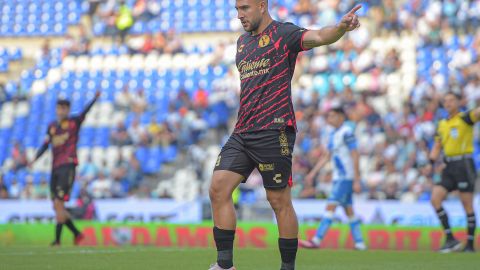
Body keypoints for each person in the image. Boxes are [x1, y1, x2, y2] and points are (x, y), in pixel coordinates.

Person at [208, 1, 361, 269]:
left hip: (274, 129)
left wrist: (340, 28)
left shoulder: (284, 34)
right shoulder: (242, 44)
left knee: (278, 200)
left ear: (261, 6)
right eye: (236, 9)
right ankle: (224, 265)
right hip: (243, 131)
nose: (239, 14)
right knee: (218, 188)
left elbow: (319, 36)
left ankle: (287, 267)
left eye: (245, 8)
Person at [29, 91, 100, 246]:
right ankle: (76, 234)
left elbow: (85, 112)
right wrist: (34, 158)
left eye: (64, 108)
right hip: (54, 168)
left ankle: (58, 240)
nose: (61, 111)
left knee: (59, 204)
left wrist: (94, 98)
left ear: (68, 110)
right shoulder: (52, 127)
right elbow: (45, 145)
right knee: (56, 205)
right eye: (59, 108)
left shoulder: (74, 122)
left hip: (68, 166)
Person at [298, 107, 366, 250]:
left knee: (331, 206)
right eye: (329, 116)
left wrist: (357, 179)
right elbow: (327, 156)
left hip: (345, 177)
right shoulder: (334, 134)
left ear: (341, 117)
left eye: (333, 116)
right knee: (349, 210)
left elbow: (355, 154)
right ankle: (360, 243)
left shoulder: (347, 132)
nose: (329, 119)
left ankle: (316, 240)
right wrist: (313, 173)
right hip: (338, 177)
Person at [429, 92, 480, 253]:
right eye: (446, 101)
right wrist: (430, 162)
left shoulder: (465, 118)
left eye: (451, 100)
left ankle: (470, 245)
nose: (448, 103)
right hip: (449, 165)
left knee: (467, 205)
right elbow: (438, 145)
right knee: (435, 198)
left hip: (464, 164)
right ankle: (450, 239)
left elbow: (477, 113)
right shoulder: (442, 124)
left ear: (458, 102)